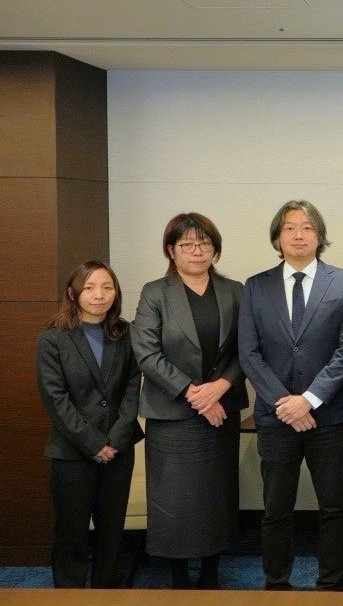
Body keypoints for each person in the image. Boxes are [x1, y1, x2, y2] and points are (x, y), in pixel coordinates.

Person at [238, 199, 343, 591]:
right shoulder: (256, 286)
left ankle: (332, 587)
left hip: (329, 416)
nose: (298, 235)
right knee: (276, 509)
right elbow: (249, 352)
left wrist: (309, 399)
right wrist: (285, 403)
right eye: (289, 227)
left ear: (320, 236)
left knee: (334, 507)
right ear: (277, 237)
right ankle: (276, 584)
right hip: (276, 418)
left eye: (307, 227)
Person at [130, 213, 247, 588]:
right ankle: (178, 576)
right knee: (174, 499)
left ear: (214, 248)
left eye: (205, 243)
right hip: (172, 414)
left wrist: (221, 387)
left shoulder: (234, 291)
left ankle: (211, 572)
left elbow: (248, 348)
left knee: (216, 495)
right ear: (171, 250)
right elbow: (146, 352)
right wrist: (195, 393)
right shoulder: (155, 292)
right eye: (187, 244)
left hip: (221, 412)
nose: (197, 251)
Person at [35, 261, 143, 588]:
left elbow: (132, 389)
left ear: (116, 292)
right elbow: (55, 399)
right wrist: (94, 443)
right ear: (73, 293)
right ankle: (70, 594)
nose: (99, 295)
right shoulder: (52, 338)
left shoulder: (126, 334)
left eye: (107, 287)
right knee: (72, 531)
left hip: (118, 449)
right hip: (72, 451)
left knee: (112, 530)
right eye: (90, 287)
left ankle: (106, 592)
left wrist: (116, 440)